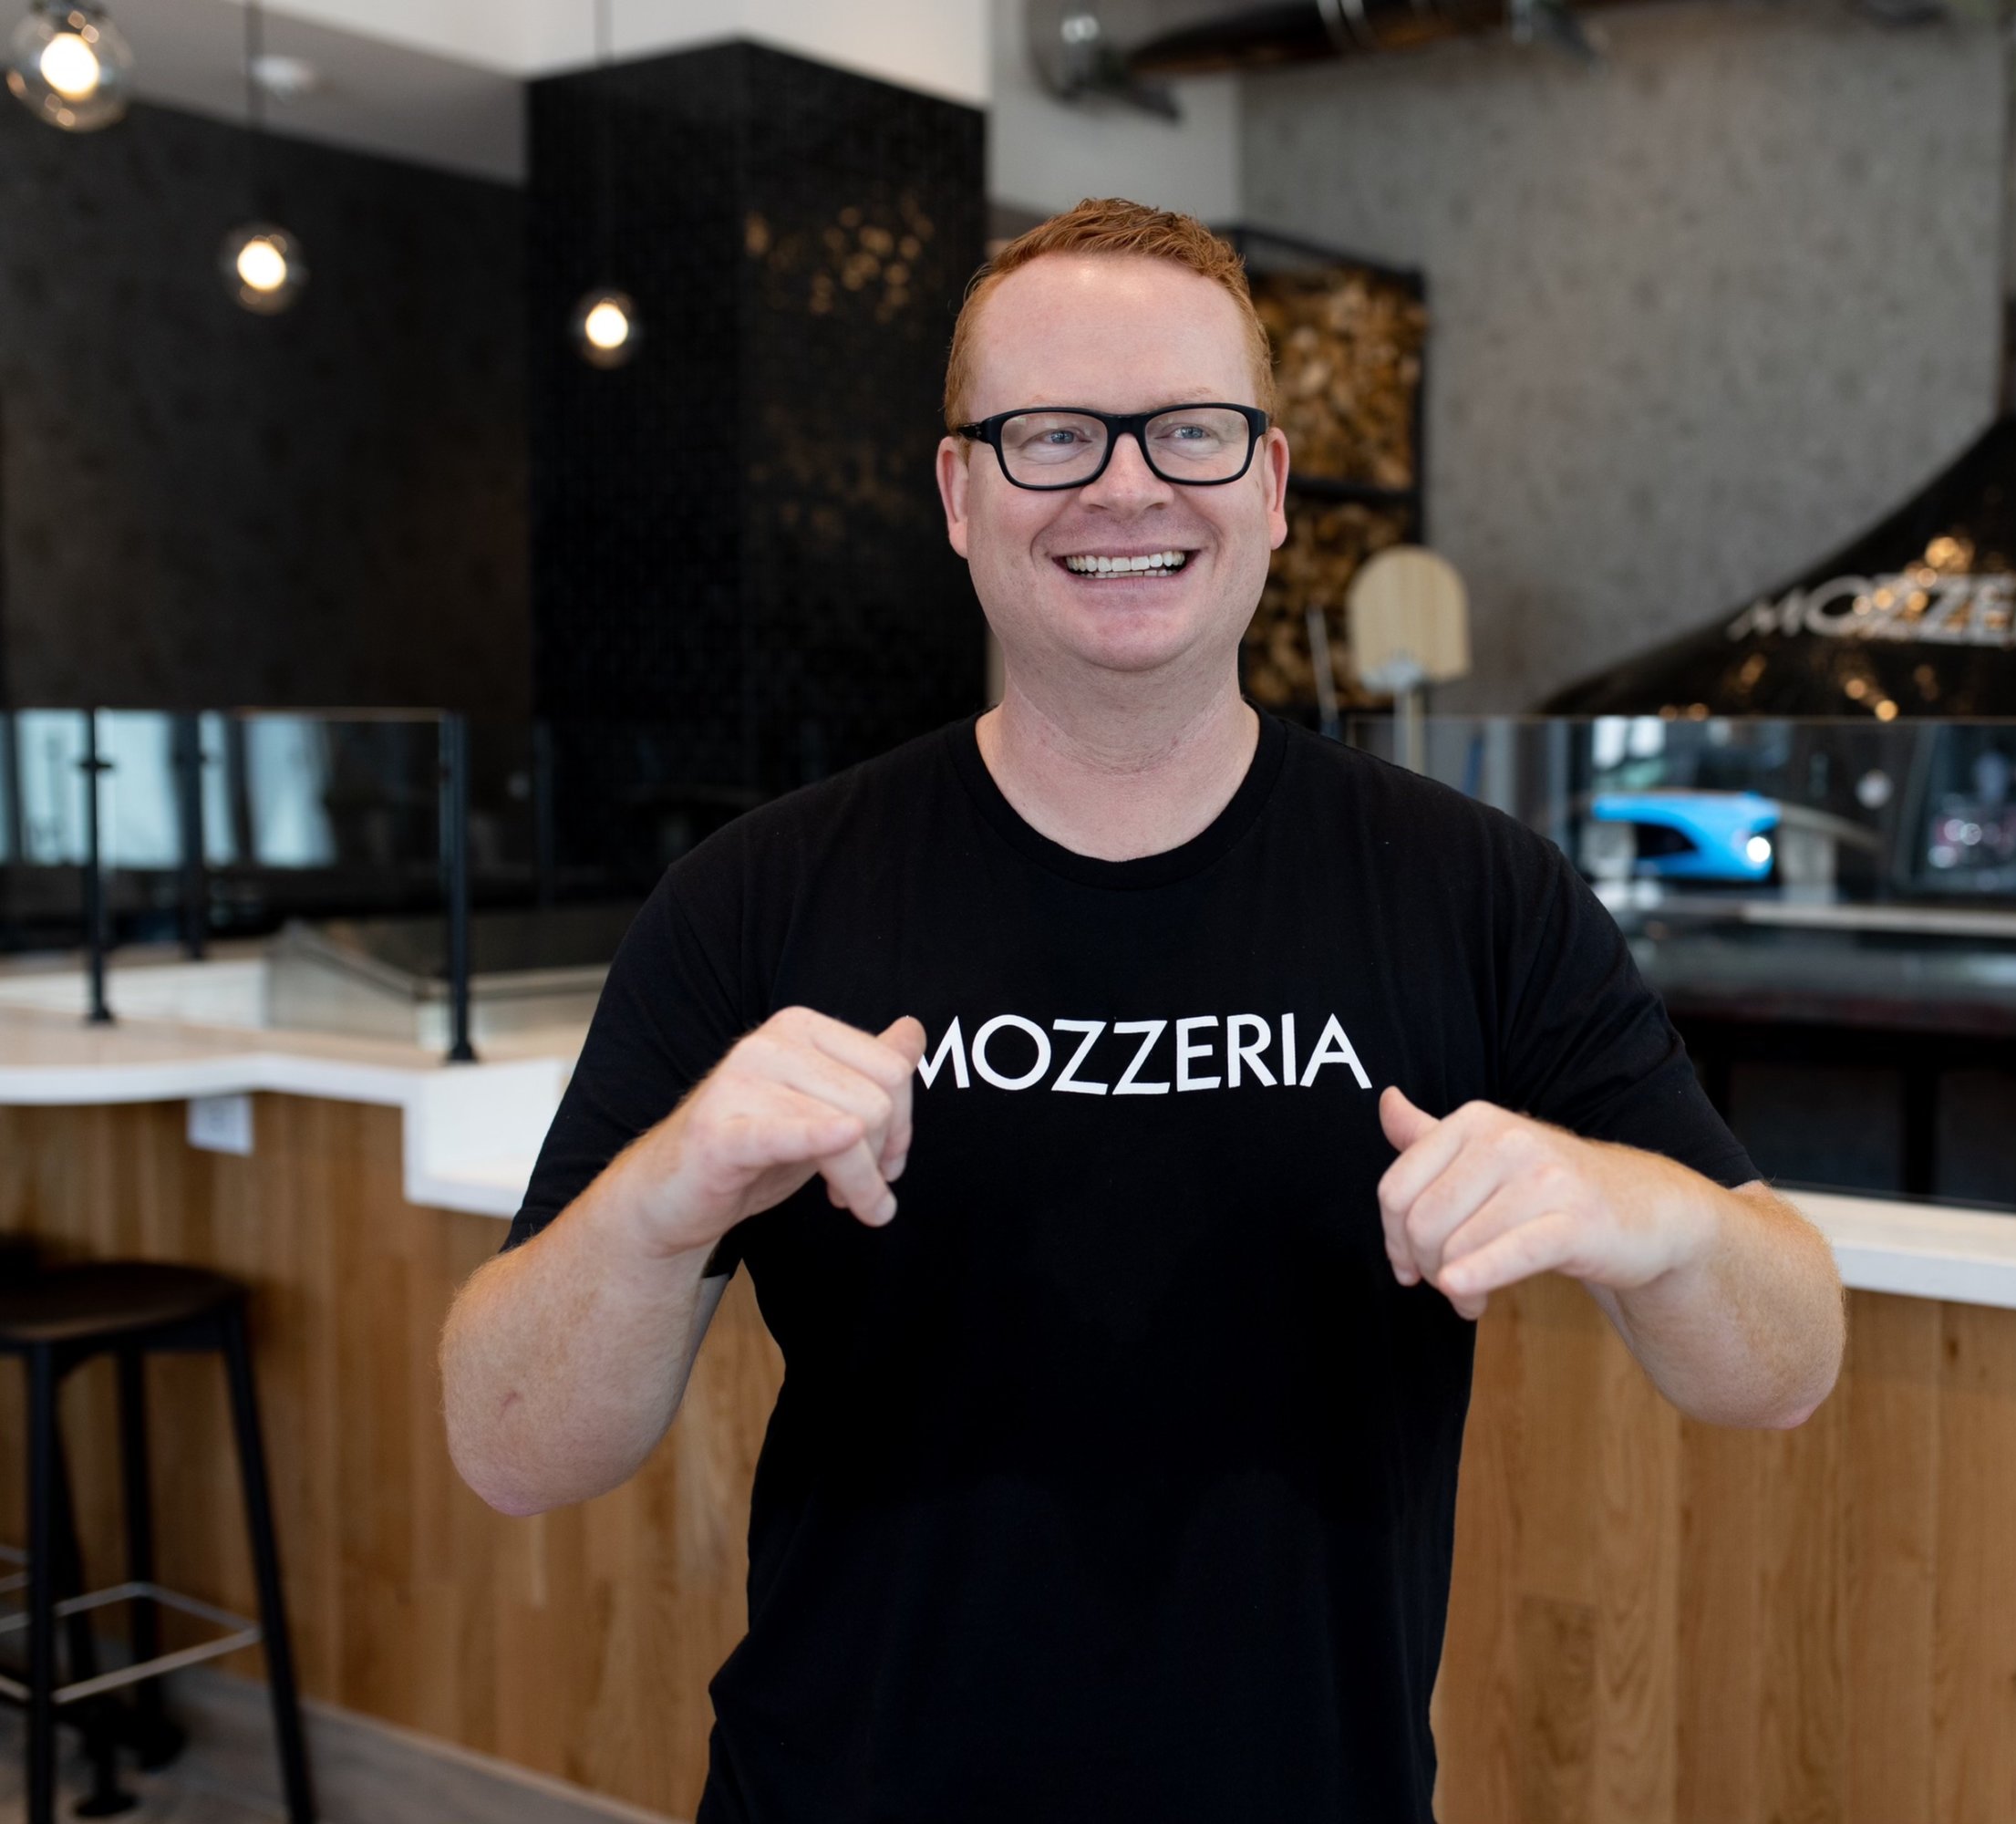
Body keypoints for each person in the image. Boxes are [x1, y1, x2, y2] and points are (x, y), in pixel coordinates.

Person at [439, 197, 1845, 1823]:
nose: (1126, 483)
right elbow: (510, 1447)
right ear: (959, 493)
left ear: (1271, 482)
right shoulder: (759, 899)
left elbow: (1787, 1360)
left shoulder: (1476, 894)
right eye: (1050, 436)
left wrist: (1643, 1211)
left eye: (1188, 429)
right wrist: (664, 1198)